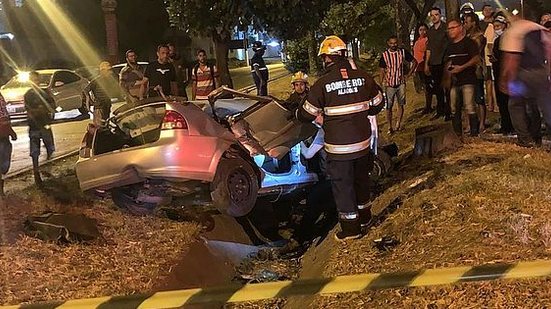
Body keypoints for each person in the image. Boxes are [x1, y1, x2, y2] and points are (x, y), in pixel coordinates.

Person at [297, 35, 383, 241]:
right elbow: (379, 103)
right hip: (363, 144)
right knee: (362, 182)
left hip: (339, 149)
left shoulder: (322, 84)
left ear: (327, 58)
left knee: (343, 187)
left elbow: (306, 114)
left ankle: (351, 230)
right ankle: (365, 218)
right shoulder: (363, 77)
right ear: (344, 55)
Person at [500, 14, 551, 147]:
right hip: (541, 73)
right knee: (539, 105)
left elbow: (512, 57)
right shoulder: (538, 29)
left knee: (515, 105)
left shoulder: (514, 30)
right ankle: (537, 136)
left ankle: (525, 139)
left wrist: (507, 80)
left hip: (523, 74)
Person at [444, 19, 481, 137]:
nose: (450, 31)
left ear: (460, 28)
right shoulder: (449, 46)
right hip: (455, 82)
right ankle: (458, 134)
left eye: (452, 28)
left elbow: (476, 59)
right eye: (449, 29)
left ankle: (474, 134)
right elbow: (447, 62)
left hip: (467, 80)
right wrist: (447, 74)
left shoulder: (469, 43)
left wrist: (462, 67)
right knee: (454, 108)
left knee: (469, 106)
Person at [379, 35, 416, 134]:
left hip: (400, 83)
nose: (393, 45)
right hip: (389, 84)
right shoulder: (384, 55)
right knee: (389, 107)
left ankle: (398, 124)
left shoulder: (402, 52)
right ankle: (390, 127)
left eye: (395, 43)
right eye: (391, 43)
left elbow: (414, 61)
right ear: (388, 43)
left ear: (397, 43)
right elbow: (382, 70)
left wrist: (408, 75)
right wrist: (381, 83)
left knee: (401, 104)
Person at [24, 71, 55, 186]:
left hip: (45, 125)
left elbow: (52, 106)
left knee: (50, 147)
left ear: (39, 80)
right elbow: (29, 110)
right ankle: (37, 174)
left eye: (36, 79)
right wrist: (39, 110)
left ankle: (47, 166)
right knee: (34, 152)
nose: (34, 82)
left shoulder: (45, 92)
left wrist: (46, 110)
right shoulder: (28, 94)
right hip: (34, 126)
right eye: (32, 80)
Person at [489, 14, 514, 135]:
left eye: (498, 26)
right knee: (502, 103)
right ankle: (506, 125)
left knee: (510, 103)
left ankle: (511, 126)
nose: (496, 28)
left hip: (508, 76)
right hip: (499, 75)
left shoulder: (509, 39)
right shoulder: (497, 40)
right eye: (495, 26)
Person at [464, 13, 488, 133]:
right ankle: (469, 123)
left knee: (479, 98)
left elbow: (475, 51)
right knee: (468, 98)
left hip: (477, 70)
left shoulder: (480, 36)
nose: (465, 24)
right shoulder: (466, 36)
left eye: (467, 22)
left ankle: (482, 123)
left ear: (473, 22)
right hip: (467, 70)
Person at [425, 7, 451, 120]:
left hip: (444, 61)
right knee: (437, 88)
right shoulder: (430, 31)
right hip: (434, 62)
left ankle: (449, 111)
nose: (434, 17)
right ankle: (440, 110)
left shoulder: (446, 29)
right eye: (432, 15)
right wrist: (426, 63)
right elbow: (429, 48)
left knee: (447, 88)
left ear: (440, 15)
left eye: (436, 14)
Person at [86, 61, 114, 127]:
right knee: (99, 127)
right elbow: (86, 90)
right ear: (103, 71)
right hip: (99, 107)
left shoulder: (109, 80)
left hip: (106, 105)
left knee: (106, 125)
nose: (110, 72)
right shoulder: (96, 80)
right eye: (108, 70)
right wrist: (90, 101)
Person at [413, 23, 433, 114]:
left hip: (424, 65)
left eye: (424, 29)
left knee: (427, 87)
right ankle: (427, 105)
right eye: (420, 30)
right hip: (418, 67)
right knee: (425, 86)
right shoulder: (417, 41)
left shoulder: (427, 40)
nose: (422, 32)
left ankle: (428, 106)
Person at [0, 93, 17, 197]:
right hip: (3, 136)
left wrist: (10, 131)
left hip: (4, 136)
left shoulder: (1, 97)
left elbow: (5, 116)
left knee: (4, 165)